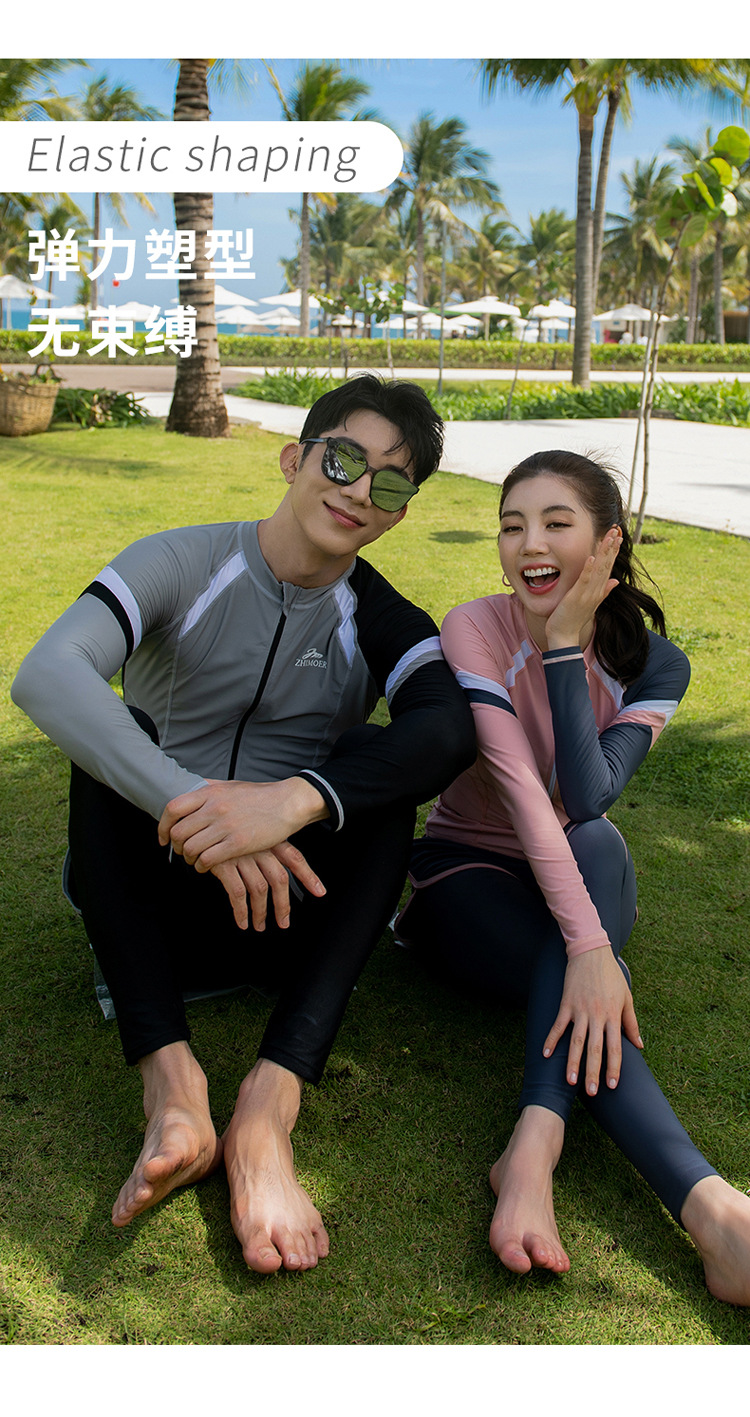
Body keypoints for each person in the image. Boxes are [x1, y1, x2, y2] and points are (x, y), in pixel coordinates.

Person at [11, 374, 475, 1276]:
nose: (358, 490)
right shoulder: (181, 560)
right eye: (343, 460)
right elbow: (48, 673)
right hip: (146, 900)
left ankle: (269, 1107)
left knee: (380, 769)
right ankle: (173, 1086)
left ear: (398, 514)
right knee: (113, 737)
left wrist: (287, 802)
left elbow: (447, 731)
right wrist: (196, 809)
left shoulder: (380, 614)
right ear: (294, 458)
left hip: (285, 916)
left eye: (389, 483)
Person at [397, 448, 750, 1306]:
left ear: (606, 542)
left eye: (556, 522)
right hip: (466, 876)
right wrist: (593, 947)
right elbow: (524, 794)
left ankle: (534, 1140)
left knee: (598, 840)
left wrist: (563, 646)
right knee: (586, 974)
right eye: (511, 525)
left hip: (574, 877)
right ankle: (713, 1209)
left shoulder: (656, 665)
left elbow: (588, 797)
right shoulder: (475, 627)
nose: (529, 544)